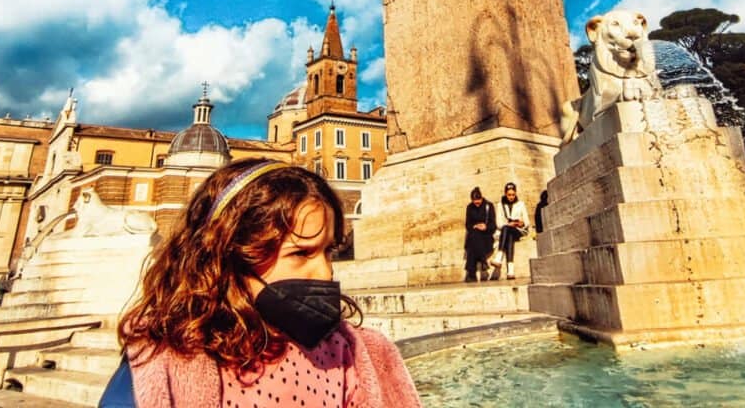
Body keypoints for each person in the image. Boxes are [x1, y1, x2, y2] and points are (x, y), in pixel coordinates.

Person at [108, 158, 423, 408]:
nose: (326, 273)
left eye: (329, 251)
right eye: (300, 253)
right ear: (228, 257)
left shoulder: (353, 354)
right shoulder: (158, 364)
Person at [489, 182, 530, 281]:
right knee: (508, 232)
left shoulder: (521, 204)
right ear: (505, 194)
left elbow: (527, 222)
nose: (511, 197)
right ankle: (510, 271)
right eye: (509, 195)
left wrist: (520, 223)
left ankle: (499, 258)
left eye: (513, 194)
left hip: (519, 230)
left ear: (515, 193)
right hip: (506, 231)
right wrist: (508, 224)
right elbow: (498, 223)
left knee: (508, 230)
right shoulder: (500, 205)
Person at [463, 187, 496, 283]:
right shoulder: (469, 207)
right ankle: (483, 261)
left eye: (478, 200)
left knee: (474, 239)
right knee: (474, 234)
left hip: (486, 237)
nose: (476, 202)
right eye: (474, 200)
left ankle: (471, 273)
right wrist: (475, 226)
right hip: (474, 237)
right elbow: (467, 225)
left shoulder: (488, 206)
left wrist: (485, 227)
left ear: (481, 198)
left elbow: (493, 225)